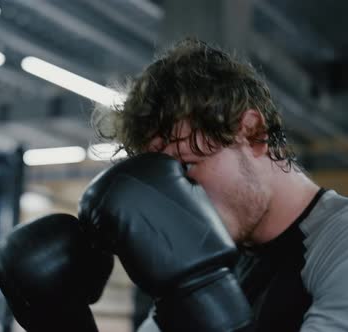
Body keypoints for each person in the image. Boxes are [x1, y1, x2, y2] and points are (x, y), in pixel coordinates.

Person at [91, 38, 348, 331]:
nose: (179, 199)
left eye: (187, 167)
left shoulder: (339, 242)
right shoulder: (211, 261)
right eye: (166, 183)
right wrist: (65, 315)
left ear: (253, 133)